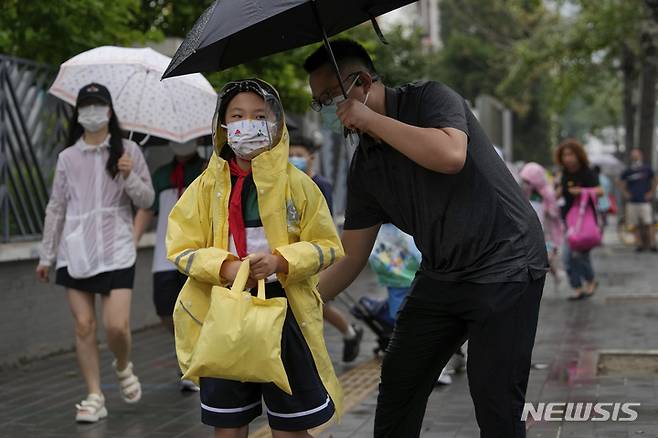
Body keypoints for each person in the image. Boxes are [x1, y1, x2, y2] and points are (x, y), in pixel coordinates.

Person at [305, 39, 548, 437]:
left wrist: (370, 119)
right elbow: (351, 256)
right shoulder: (366, 164)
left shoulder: (430, 99)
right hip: (442, 273)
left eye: (331, 96)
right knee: (400, 381)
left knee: (495, 399)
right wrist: (300, 301)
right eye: (320, 102)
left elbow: (451, 155)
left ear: (363, 82)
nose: (330, 111)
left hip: (506, 263)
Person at [166, 79, 343, 438]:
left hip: (285, 312)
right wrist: (225, 267)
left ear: (275, 124)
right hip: (222, 311)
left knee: (291, 427)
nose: (248, 123)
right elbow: (180, 249)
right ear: (223, 126)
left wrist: (282, 261)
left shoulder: (299, 184)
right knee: (228, 425)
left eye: (259, 115)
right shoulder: (204, 188)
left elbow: (327, 245)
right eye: (238, 115)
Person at [35, 83, 154, 422]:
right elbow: (56, 208)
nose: (91, 111)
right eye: (85, 106)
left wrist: (129, 175)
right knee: (84, 326)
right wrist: (47, 256)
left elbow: (146, 201)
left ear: (109, 111)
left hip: (116, 250)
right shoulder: (67, 158)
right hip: (76, 253)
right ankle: (94, 395)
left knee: (116, 327)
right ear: (78, 114)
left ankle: (122, 364)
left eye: (97, 105)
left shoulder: (127, 151)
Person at [133, 139, 205, 391]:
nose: (181, 144)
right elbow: (147, 210)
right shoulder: (162, 174)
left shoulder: (208, 169)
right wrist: (133, 241)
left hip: (197, 254)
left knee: (195, 309)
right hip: (165, 256)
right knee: (165, 310)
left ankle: (192, 366)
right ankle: (188, 354)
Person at [288, 132, 364, 362]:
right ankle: (349, 333)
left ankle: (342, 337)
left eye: (298, 155)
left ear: (311, 158)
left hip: (316, 255)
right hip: (293, 255)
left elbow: (325, 225)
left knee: (317, 302)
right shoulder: (287, 183)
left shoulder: (321, 185)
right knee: (311, 304)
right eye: (289, 155)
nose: (293, 159)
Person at [554, 139, 603, 300]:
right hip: (569, 221)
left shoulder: (587, 172)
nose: (567, 158)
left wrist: (581, 191)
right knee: (571, 257)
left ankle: (588, 281)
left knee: (577, 255)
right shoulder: (564, 173)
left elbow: (600, 191)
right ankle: (580, 286)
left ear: (578, 155)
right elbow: (559, 193)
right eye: (564, 155)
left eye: (570, 154)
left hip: (585, 221)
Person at [520, 162, 565, 287]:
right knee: (541, 259)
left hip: (548, 233)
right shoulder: (526, 192)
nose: (526, 184)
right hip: (534, 232)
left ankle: (555, 275)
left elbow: (555, 212)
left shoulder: (547, 192)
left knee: (546, 259)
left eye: (528, 181)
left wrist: (547, 209)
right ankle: (556, 275)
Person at [619, 148, 657, 252]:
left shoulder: (647, 169)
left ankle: (652, 244)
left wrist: (651, 192)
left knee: (648, 222)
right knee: (635, 224)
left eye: (636, 154)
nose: (634, 156)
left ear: (641, 155)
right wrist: (625, 193)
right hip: (632, 201)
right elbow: (620, 182)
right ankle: (639, 244)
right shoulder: (628, 170)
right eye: (633, 154)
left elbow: (655, 179)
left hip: (644, 201)